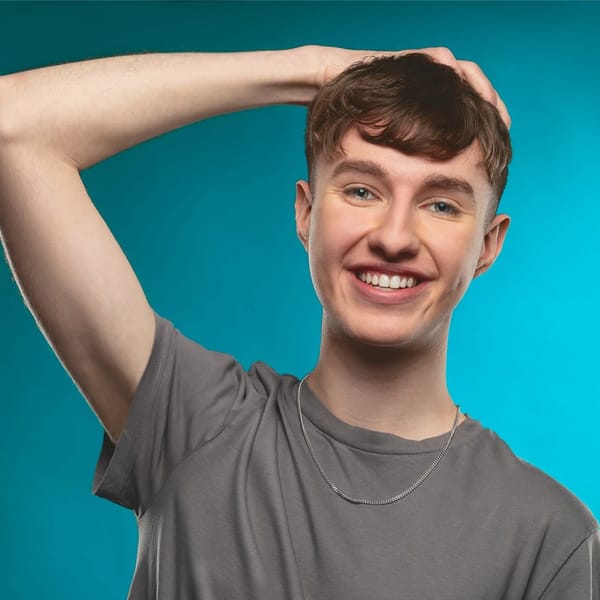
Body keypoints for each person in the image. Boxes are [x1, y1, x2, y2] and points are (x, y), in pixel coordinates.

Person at [0, 44, 597, 599]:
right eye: (362, 190)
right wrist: (309, 70)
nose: (393, 238)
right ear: (305, 213)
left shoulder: (549, 537)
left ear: (489, 245)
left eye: (440, 204)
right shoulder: (192, 423)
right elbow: (13, 128)